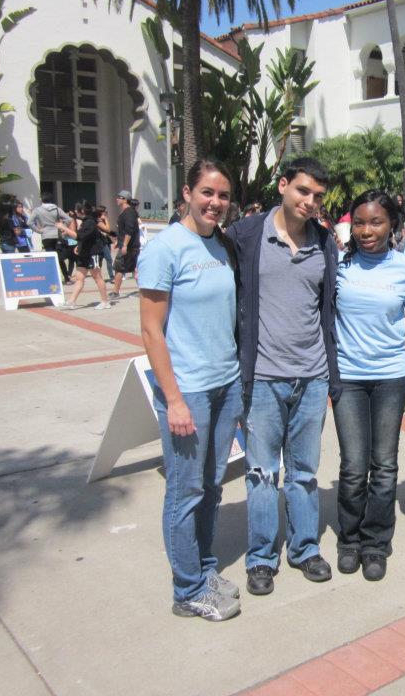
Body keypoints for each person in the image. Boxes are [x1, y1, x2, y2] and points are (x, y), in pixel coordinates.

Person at [225, 157, 340, 597]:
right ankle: (260, 558)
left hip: (311, 377)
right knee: (260, 472)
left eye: (317, 196)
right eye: (302, 192)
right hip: (263, 379)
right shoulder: (246, 236)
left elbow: (327, 307)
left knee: (305, 471)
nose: (310, 202)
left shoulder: (325, 242)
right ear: (283, 186)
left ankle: (305, 548)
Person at [138, 158, 242, 622]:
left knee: (212, 486)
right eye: (207, 193)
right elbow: (150, 331)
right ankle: (187, 589)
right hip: (190, 393)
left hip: (226, 385)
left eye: (222, 196)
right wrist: (174, 399)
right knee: (185, 492)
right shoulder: (166, 248)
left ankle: (202, 568)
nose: (215, 203)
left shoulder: (222, 246)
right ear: (187, 192)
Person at [333, 190, 405, 581]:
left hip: (390, 377)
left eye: (377, 222)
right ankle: (349, 539)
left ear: (392, 225)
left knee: (383, 465)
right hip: (348, 377)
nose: (367, 230)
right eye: (360, 222)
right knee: (353, 466)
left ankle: (375, 542)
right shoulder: (337, 264)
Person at [57, 201, 112, 310]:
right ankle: (71, 301)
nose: (75, 211)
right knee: (79, 278)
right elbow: (83, 238)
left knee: (97, 277)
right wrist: (79, 246)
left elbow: (79, 236)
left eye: (76, 210)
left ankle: (105, 302)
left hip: (93, 254)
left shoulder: (90, 222)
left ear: (82, 211)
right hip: (84, 254)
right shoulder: (86, 221)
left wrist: (64, 228)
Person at [29, 192, 71, 278]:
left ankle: (52, 278)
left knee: (49, 257)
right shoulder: (56, 209)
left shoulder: (38, 210)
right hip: (56, 234)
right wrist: (63, 228)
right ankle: (66, 277)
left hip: (46, 235)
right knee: (59, 258)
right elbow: (68, 219)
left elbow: (29, 222)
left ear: (42, 200)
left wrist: (39, 230)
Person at [111, 189, 140, 298]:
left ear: (125, 200)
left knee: (119, 267)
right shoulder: (126, 212)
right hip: (126, 245)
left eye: (119, 197)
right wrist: (118, 241)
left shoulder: (129, 212)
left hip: (130, 246)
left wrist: (125, 245)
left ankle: (115, 291)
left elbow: (129, 230)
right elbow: (122, 230)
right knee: (133, 268)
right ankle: (142, 290)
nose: (117, 199)